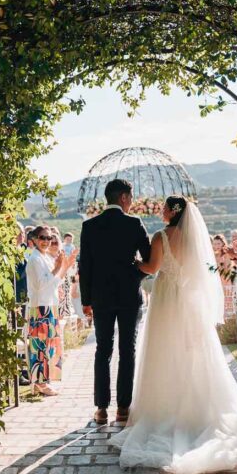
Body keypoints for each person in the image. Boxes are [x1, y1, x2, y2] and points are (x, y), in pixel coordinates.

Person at [110, 197, 237, 474]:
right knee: (194, 352)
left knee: (164, 352)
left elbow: (152, 268)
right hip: (189, 302)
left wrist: (134, 262)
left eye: (164, 207)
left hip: (167, 301)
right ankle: (198, 412)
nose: (161, 211)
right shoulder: (193, 239)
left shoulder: (161, 236)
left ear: (172, 211)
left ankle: (165, 411)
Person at [79, 178, 151, 425]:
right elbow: (150, 260)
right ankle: (123, 408)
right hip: (130, 296)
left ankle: (101, 409)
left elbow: (84, 267)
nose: (131, 203)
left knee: (103, 350)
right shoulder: (133, 223)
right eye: (130, 198)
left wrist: (86, 300)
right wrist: (135, 276)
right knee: (127, 350)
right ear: (123, 198)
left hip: (100, 297)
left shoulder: (89, 226)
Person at [25, 226, 75, 395]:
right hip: (40, 307)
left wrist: (64, 267)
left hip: (49, 305)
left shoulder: (45, 257)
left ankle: (45, 381)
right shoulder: (35, 259)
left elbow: (55, 282)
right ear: (34, 239)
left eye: (49, 238)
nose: (46, 241)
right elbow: (41, 284)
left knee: (49, 344)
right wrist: (58, 267)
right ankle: (40, 383)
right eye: (43, 238)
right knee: (40, 345)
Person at [212, 234, 235, 319]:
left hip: (225, 282)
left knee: (227, 306)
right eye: (214, 244)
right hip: (216, 282)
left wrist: (219, 265)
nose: (216, 246)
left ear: (222, 244)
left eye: (218, 243)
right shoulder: (213, 255)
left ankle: (228, 326)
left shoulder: (226, 255)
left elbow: (228, 271)